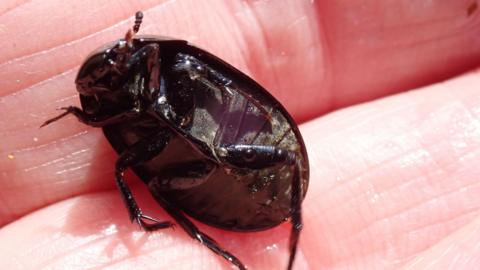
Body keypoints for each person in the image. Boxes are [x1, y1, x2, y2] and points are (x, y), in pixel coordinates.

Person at [0, 2, 479, 269]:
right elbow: (125, 156)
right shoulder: (122, 116)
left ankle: (263, 235)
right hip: (202, 176)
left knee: (145, 169)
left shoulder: (177, 65)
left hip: (253, 156)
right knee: (133, 170)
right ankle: (212, 246)